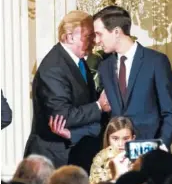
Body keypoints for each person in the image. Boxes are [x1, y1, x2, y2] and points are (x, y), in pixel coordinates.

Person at [24, 10, 110, 169]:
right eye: (89, 36)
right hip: (54, 158)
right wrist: (99, 106)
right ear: (70, 37)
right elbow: (63, 117)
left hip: (75, 150)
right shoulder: (54, 68)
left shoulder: (78, 61)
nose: (95, 41)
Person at [93, 5, 172, 148]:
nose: (96, 41)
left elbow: (171, 114)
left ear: (116, 32)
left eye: (99, 34)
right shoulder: (105, 67)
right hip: (117, 157)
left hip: (150, 157)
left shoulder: (156, 61)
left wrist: (160, 149)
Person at [89, 116, 135, 184]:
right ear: (108, 138)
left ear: (133, 138)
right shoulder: (100, 161)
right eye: (115, 139)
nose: (120, 144)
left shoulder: (139, 161)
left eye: (125, 139)